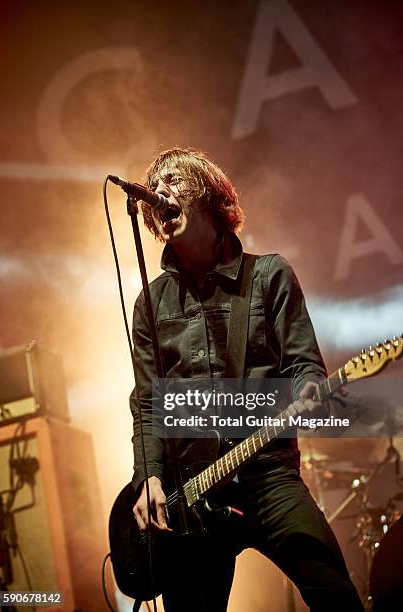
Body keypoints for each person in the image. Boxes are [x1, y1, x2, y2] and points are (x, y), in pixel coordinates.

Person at [130, 148, 363, 611]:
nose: (160, 193)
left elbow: (305, 370)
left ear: (207, 195)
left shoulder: (268, 276)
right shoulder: (150, 304)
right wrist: (149, 478)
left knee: (336, 595)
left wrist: (310, 394)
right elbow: (149, 406)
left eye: (173, 181)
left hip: (266, 476)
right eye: (154, 188)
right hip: (192, 494)